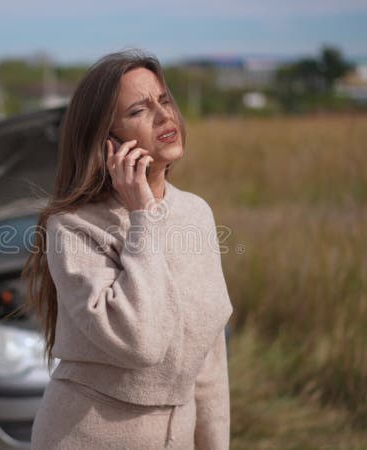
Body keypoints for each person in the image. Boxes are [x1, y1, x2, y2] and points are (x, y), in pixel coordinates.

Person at [22, 49, 233, 449]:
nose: (164, 116)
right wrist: (143, 217)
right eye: (139, 109)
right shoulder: (72, 227)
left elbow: (209, 361)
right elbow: (141, 342)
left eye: (164, 100)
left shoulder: (196, 213)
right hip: (86, 436)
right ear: (108, 142)